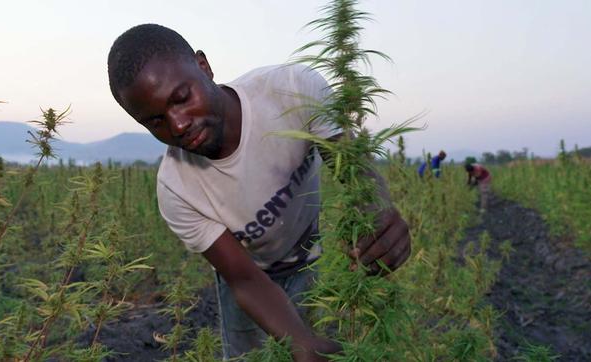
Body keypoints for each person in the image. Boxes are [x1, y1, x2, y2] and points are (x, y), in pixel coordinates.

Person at [107, 24, 412, 361]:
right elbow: (244, 279)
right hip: (249, 277)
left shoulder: (291, 91)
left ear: (203, 66)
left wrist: (379, 212)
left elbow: (354, 171)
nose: (177, 125)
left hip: (312, 259)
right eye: (155, 122)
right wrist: (300, 343)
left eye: (182, 98)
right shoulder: (176, 190)